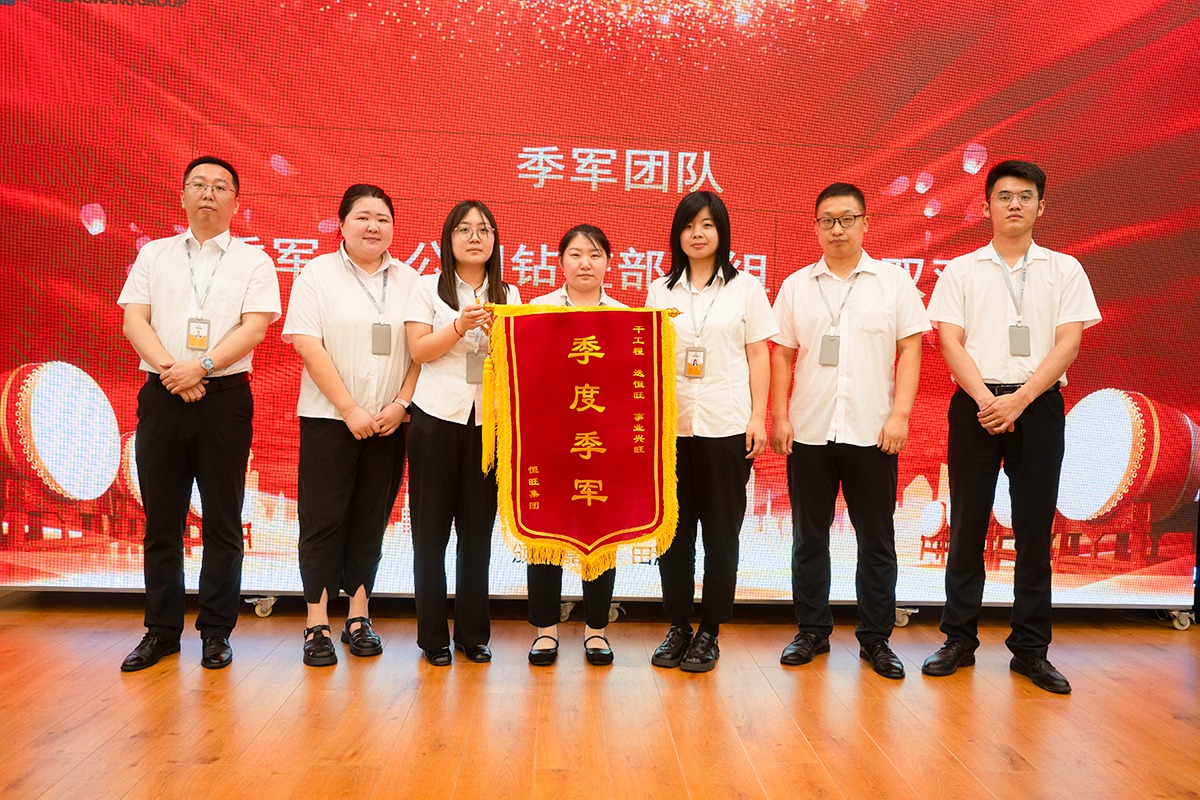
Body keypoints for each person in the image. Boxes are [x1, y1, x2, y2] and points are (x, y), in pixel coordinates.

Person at [922, 160, 1100, 694]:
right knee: (967, 526)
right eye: (1003, 196)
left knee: (1033, 529)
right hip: (975, 406)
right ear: (986, 207)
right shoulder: (961, 270)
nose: (1014, 204)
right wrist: (986, 400)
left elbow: (1069, 342)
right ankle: (958, 639)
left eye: (1025, 196)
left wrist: (1019, 401)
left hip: (1038, 406)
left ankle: (1030, 649)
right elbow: (948, 341)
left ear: (1042, 206)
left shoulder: (1065, 269)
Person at [117, 155, 281, 671]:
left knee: (223, 521)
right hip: (163, 396)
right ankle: (161, 631)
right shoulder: (154, 255)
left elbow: (255, 328)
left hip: (225, 399)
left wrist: (202, 367)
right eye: (199, 184)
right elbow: (134, 320)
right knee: (162, 522)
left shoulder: (255, 261)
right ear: (183, 195)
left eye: (220, 186)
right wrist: (174, 371)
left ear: (236, 201)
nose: (208, 193)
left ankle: (216, 632)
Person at [769, 182, 929, 679]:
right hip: (810, 430)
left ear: (865, 223)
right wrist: (779, 416)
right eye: (827, 221)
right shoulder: (797, 285)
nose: (837, 229)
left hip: (873, 431)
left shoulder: (893, 282)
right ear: (816, 227)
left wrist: (900, 415)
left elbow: (911, 349)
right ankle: (811, 631)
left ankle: (876, 639)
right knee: (808, 538)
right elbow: (782, 354)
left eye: (847, 219)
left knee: (877, 541)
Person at [283, 184, 420, 667]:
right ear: (341, 224)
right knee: (323, 520)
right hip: (329, 418)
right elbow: (307, 343)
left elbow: (421, 349)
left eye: (383, 218)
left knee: (370, 520)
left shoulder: (411, 280)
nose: (373, 226)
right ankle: (316, 622)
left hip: (389, 423)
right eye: (362, 217)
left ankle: (358, 617)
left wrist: (402, 403)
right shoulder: (316, 274)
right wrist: (349, 409)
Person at [646, 191, 776, 673]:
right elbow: (648, 358)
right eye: (688, 225)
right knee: (673, 535)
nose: (697, 234)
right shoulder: (660, 291)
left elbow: (758, 354)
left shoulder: (747, 289)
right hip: (672, 430)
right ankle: (679, 625)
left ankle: (710, 632)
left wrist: (757, 417)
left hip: (726, 426)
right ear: (676, 234)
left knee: (722, 535)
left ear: (722, 232)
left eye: (707, 225)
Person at [404, 200, 521, 666]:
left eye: (484, 230)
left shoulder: (508, 293)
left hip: (487, 425)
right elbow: (419, 351)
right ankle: (433, 638)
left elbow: (516, 360)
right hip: (435, 420)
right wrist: (458, 325)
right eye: (465, 229)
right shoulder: (426, 288)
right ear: (448, 239)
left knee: (477, 535)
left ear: (495, 241)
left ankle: (473, 635)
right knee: (430, 535)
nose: (475, 237)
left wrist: (499, 340)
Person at [525, 224, 625, 667]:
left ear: (608, 263)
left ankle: (596, 630)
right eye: (576, 254)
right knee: (544, 534)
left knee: (600, 537)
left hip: (601, 446)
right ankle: (545, 630)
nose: (585, 263)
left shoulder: (625, 317)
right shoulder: (535, 311)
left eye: (595, 254)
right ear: (560, 261)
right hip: (549, 444)